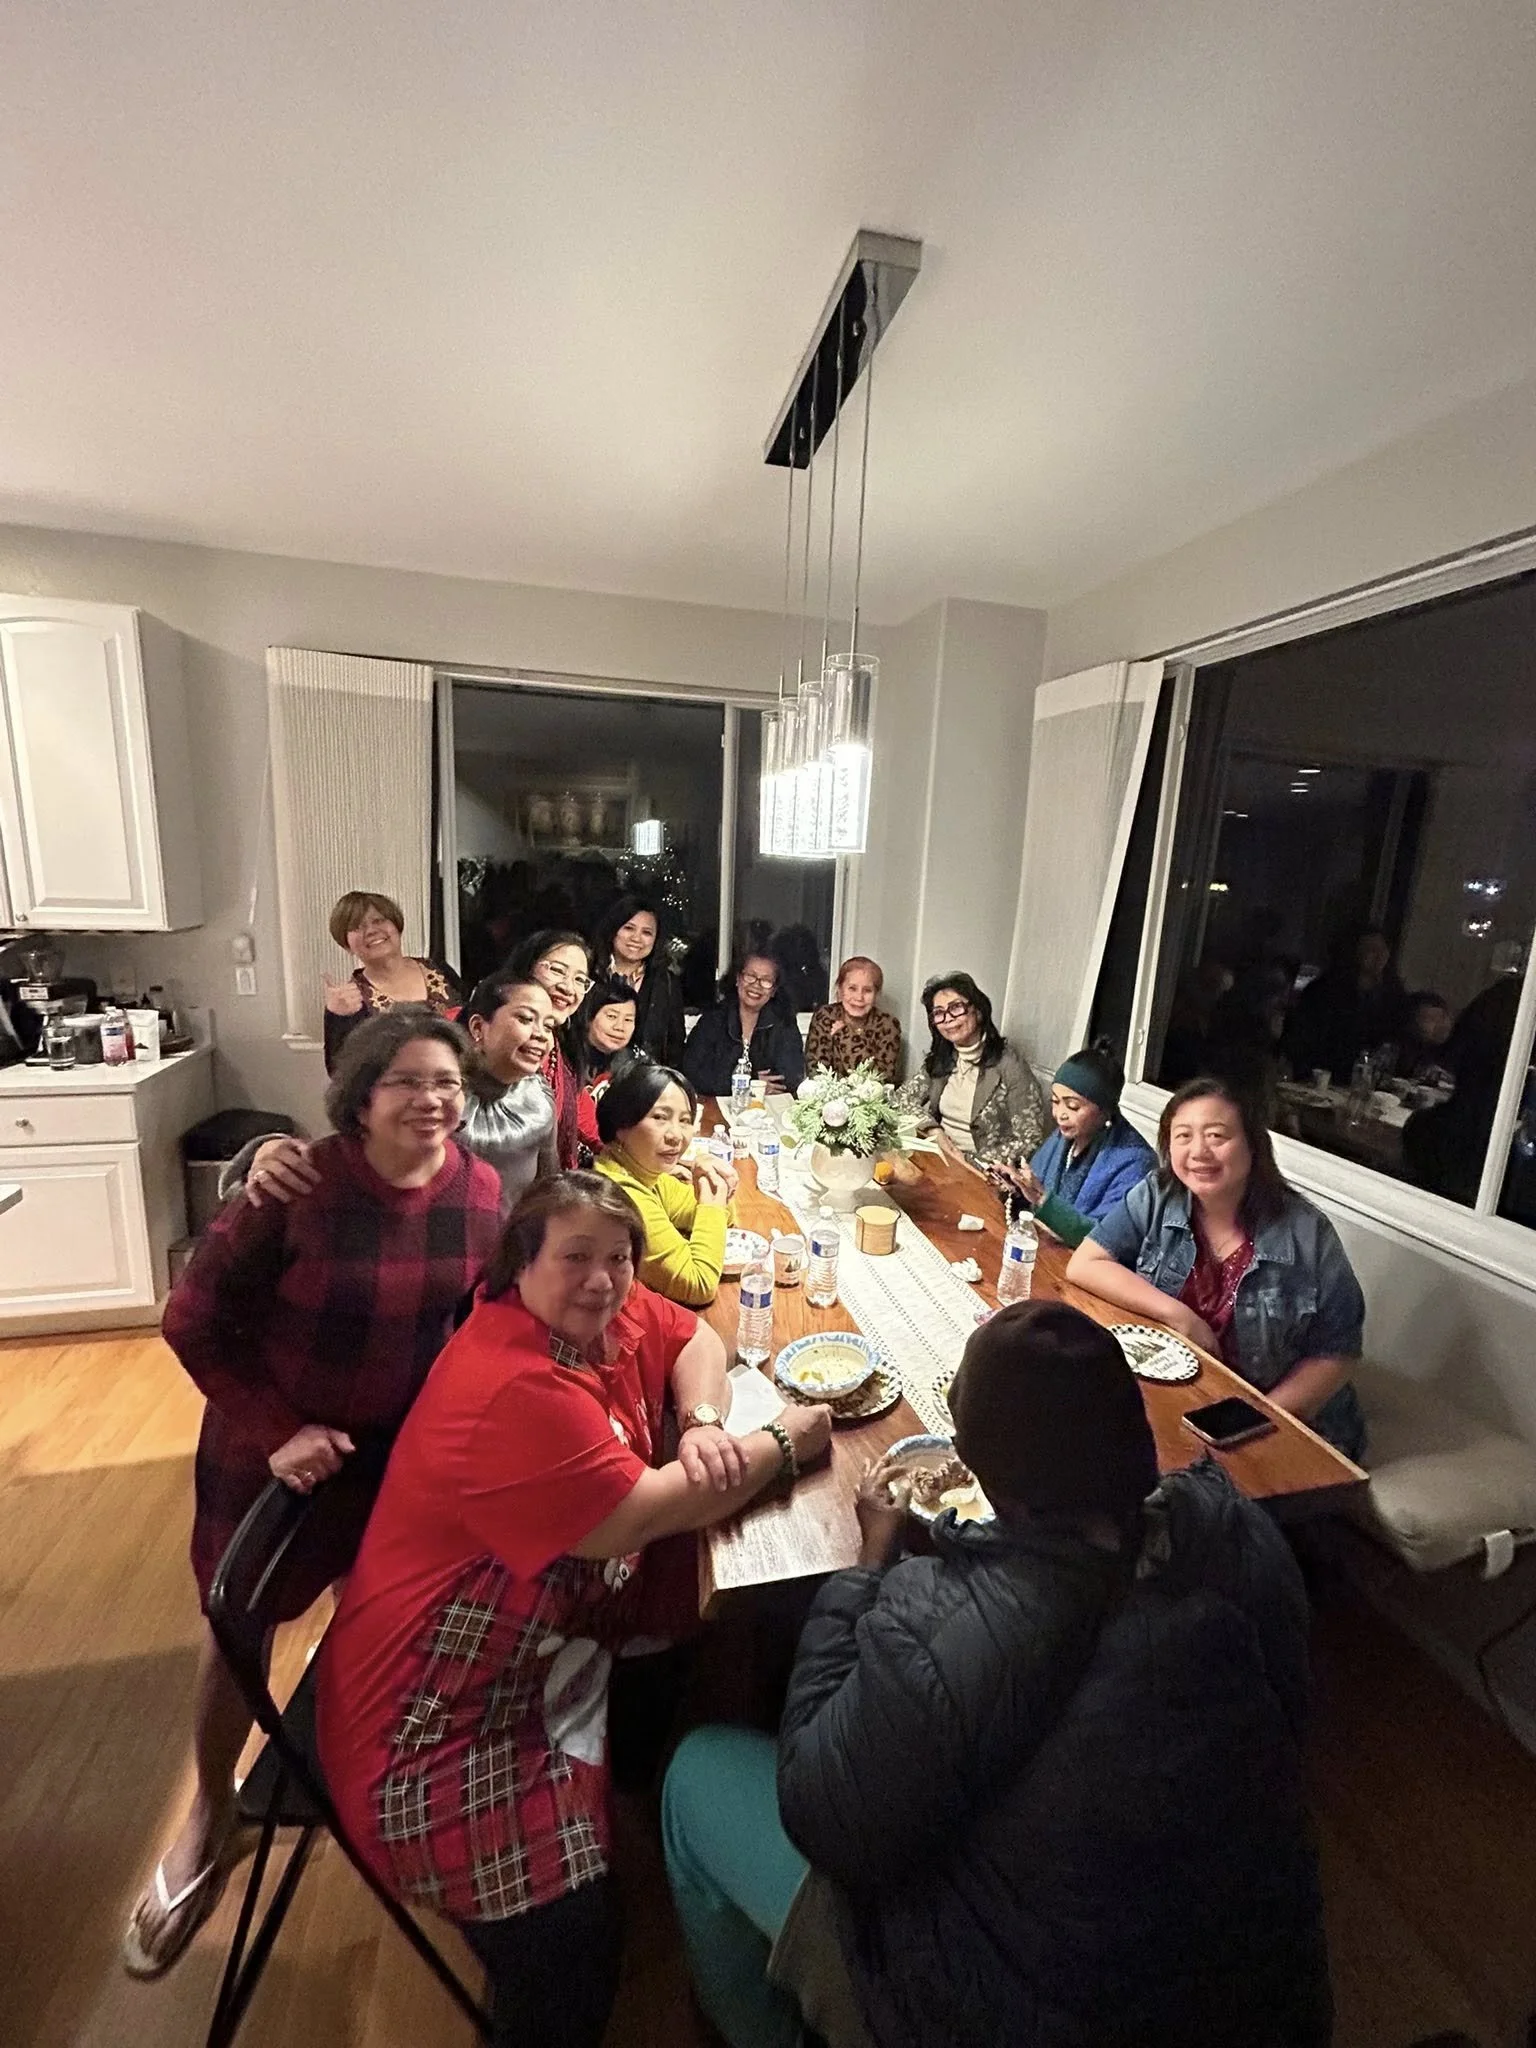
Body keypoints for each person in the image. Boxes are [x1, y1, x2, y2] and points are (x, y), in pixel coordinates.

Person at [662, 1300, 1331, 2048]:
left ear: (986, 1476)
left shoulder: (939, 1620)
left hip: (1004, 2012)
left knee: (694, 1775)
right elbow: (1287, 1717)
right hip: (1266, 2005)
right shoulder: (1240, 1532)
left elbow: (823, 1816)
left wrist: (865, 1568)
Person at [315, 1173, 833, 2048]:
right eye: (576, 1258)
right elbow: (661, 1507)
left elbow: (693, 1335)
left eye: (619, 1259)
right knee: (580, 1944)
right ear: (520, 1263)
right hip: (425, 1727)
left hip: (529, 1654)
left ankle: (653, 1790)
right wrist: (784, 1439)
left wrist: (703, 1418)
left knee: (698, 1615)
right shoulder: (514, 1387)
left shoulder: (592, 1321)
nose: (603, 1278)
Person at [123, 1014, 503, 1977]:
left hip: (396, 1454)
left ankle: (370, 1788)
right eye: (407, 1082)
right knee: (237, 1631)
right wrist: (278, 1430)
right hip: (275, 1453)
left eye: (449, 1082)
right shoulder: (298, 1184)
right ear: (361, 1095)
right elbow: (192, 1320)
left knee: (374, 1621)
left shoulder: (483, 1191)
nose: (432, 1100)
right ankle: (211, 1812)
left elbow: (466, 1316)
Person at [1067, 1076, 1367, 1456]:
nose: (1198, 1152)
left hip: (1281, 1422)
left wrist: (1253, 1421)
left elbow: (1337, 1353)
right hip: (1181, 1399)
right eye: (1183, 1136)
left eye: (1216, 1136)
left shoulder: (1307, 1233)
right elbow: (1086, 1262)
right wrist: (1179, 1315)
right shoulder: (1157, 1195)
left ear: (1253, 1145)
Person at [227, 973, 561, 1214]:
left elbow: (549, 1186)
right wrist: (268, 1149)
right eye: (526, 1019)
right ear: (478, 1027)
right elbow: (347, 1155)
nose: (541, 1036)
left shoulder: (538, 1097)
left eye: (549, 1026)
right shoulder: (435, 1099)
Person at [594, 1062, 736, 1306]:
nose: (676, 1136)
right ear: (622, 1125)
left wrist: (708, 1184)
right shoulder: (622, 1200)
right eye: (660, 1117)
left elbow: (723, 1213)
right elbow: (699, 1284)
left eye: (685, 1120)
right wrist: (713, 1199)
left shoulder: (640, 1171)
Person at [995, 1043, 1155, 1247]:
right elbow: (1033, 1190)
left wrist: (1043, 1199)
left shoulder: (1136, 1161)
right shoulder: (1063, 1137)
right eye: (1055, 1101)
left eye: (1072, 1106)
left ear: (1104, 1109)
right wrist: (1015, 1186)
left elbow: (1108, 1241)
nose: (1060, 1114)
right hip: (1047, 1249)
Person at [896, 972, 1046, 1167]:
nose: (948, 1018)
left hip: (983, 1170)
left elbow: (1030, 1139)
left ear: (978, 1011)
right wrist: (934, 1130)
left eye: (956, 1007)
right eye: (939, 1013)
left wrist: (970, 1161)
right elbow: (900, 1099)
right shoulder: (942, 1058)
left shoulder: (1010, 1065)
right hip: (939, 1155)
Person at [321, 890, 461, 1073]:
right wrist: (336, 1017)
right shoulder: (349, 1001)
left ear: (397, 925)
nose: (371, 931)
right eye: (357, 926)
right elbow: (339, 1073)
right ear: (346, 944)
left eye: (378, 920)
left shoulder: (439, 969)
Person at [505, 928, 594, 1167]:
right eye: (557, 970)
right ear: (527, 968)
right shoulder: (483, 1029)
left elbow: (586, 1120)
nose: (568, 988)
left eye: (579, 980)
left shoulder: (560, 1046)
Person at [1285, 925, 1407, 1083]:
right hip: (1327, 1076)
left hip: (1372, 1080)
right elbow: (1306, 1040)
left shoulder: (1393, 993)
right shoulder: (1324, 990)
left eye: (1383, 949)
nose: (1379, 955)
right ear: (1354, 952)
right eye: (1371, 949)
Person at [683, 946, 806, 1097]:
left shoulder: (784, 1023)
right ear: (737, 979)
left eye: (766, 981)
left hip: (766, 1110)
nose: (756, 985)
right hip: (716, 1105)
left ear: (774, 990)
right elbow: (691, 1073)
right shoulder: (713, 1019)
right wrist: (750, 1083)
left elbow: (791, 1077)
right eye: (750, 976)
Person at [592, 894, 686, 1065]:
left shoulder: (666, 983)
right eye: (629, 928)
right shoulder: (590, 973)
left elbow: (674, 1046)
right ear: (613, 931)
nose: (636, 938)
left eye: (647, 932)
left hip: (646, 1080)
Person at [804, 957, 902, 1083]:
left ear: (876, 994)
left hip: (871, 1100)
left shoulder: (888, 1025)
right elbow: (817, 1072)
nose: (859, 997)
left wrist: (845, 1036)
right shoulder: (825, 1016)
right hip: (828, 1097)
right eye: (852, 988)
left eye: (867, 991)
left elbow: (881, 1078)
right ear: (840, 990)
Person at [573, 974, 647, 1103]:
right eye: (612, 1016)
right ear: (589, 1017)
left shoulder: (639, 1067)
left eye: (628, 1019)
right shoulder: (567, 1055)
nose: (620, 1027)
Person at [1396, 990, 1455, 1083]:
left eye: (1443, 1017)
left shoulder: (1457, 1048)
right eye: (1432, 1019)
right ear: (1413, 1023)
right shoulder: (1400, 1050)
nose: (1441, 1025)